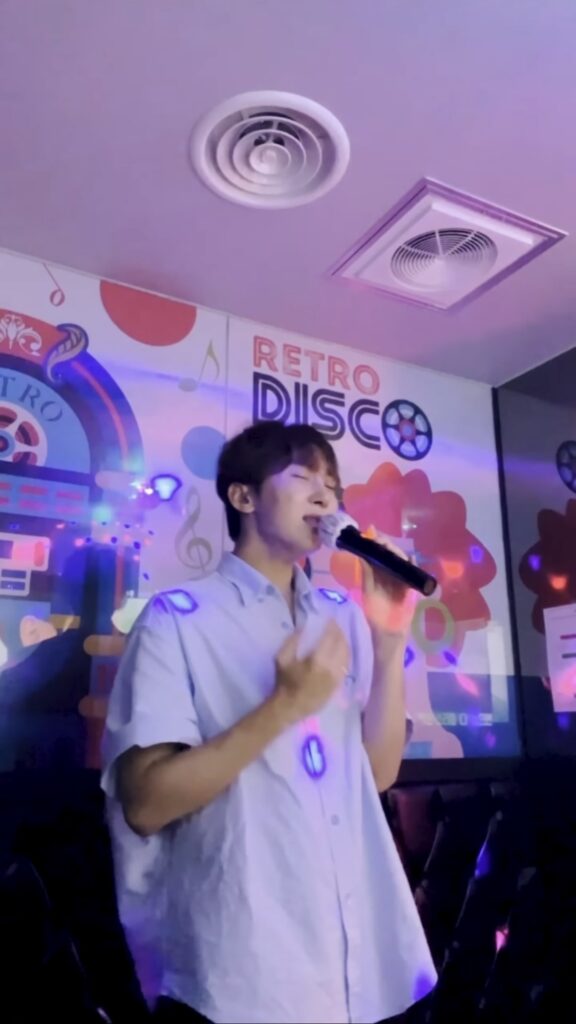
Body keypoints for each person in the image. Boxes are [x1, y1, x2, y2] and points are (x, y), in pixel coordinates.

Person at [101, 421, 436, 1024]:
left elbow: (378, 774)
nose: (325, 496)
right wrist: (282, 707)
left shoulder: (340, 615)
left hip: (356, 962)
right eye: (304, 477)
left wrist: (388, 645)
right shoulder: (178, 618)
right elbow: (146, 804)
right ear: (243, 497)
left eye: (332, 485)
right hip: (245, 970)